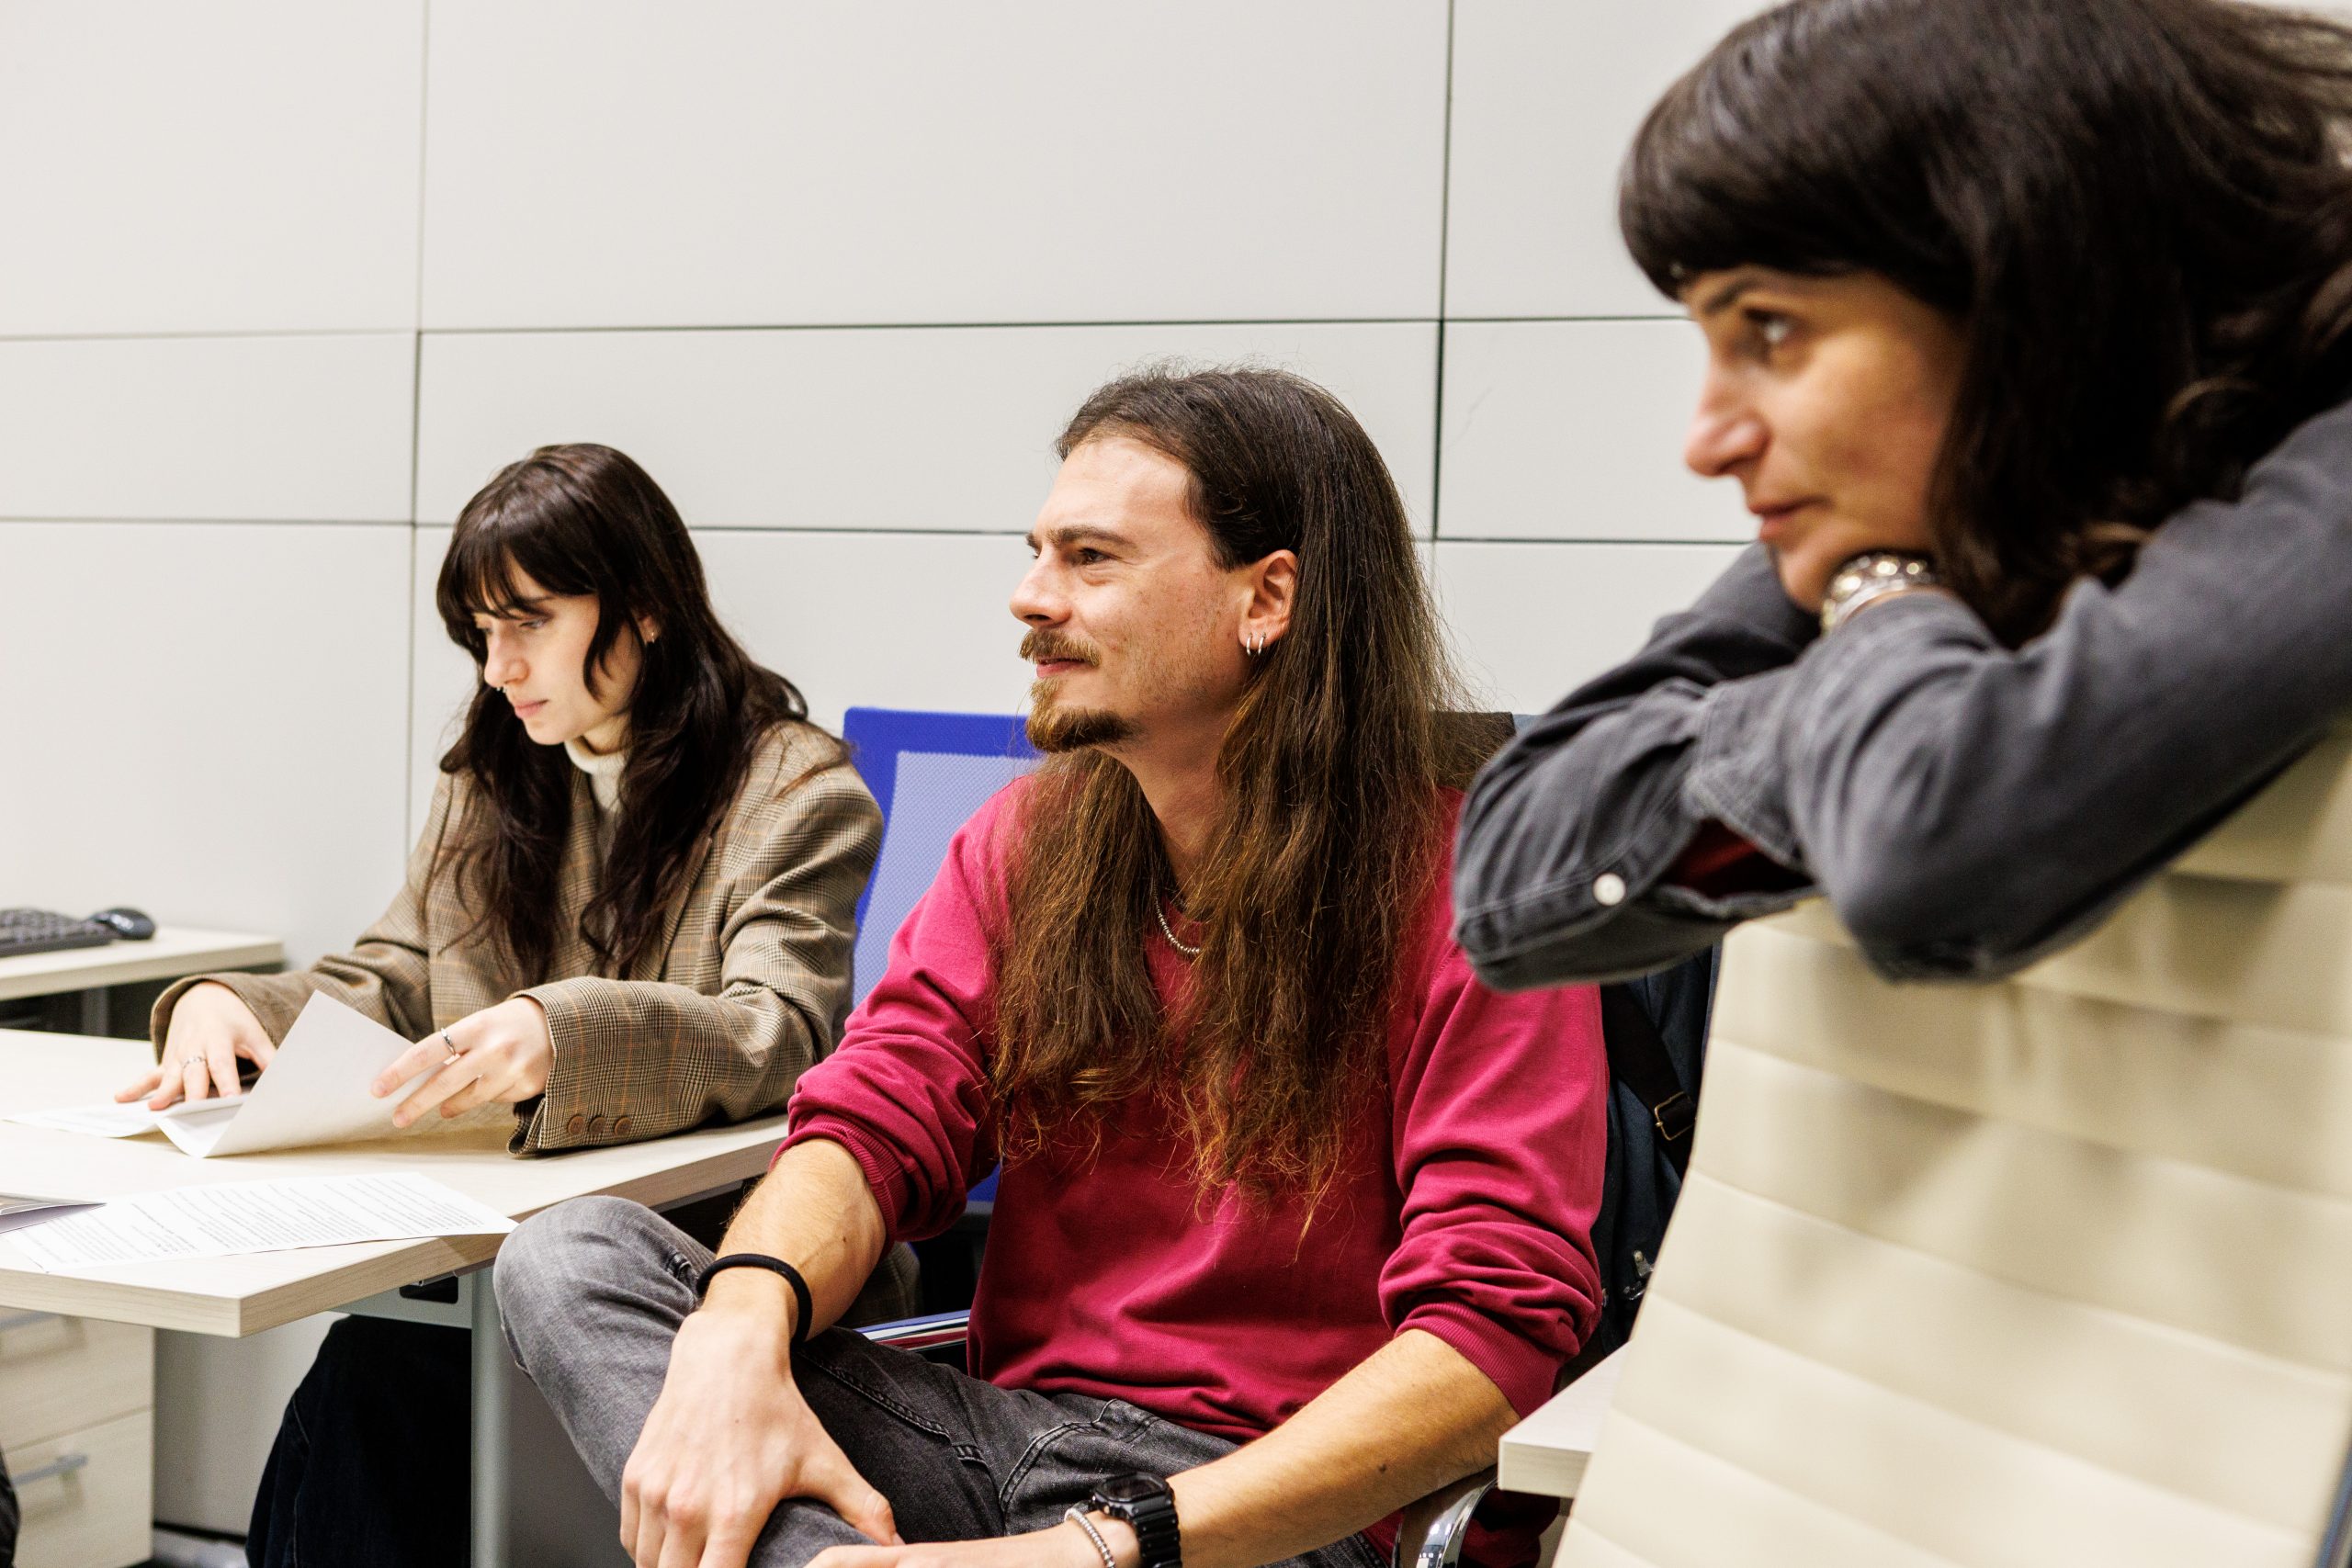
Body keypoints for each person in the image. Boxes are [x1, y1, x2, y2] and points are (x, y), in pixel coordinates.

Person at [495, 367, 1610, 1568]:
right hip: (1001, 1448)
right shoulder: (1026, 844)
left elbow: (1487, 1341)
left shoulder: (1481, 889)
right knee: (573, 1255)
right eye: (1037, 553)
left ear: (1267, 597)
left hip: (1270, 1513)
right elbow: (876, 1116)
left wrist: (1098, 1548)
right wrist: (739, 1327)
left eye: (1090, 559)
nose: (1030, 597)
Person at [1453, 0, 2352, 992]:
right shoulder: (1925, 511)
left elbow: (1932, 848)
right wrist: (1858, 698)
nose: (1707, 444)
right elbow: (1506, 872)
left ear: (2023, 292)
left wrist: (1874, 625)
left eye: (1770, 330)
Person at [120, 444, 909, 1567]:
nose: (499, 668)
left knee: (386, 1384)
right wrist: (226, 1003)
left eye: (529, 622)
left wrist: (559, 1032)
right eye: (482, 632)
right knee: (377, 1373)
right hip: (498, 1251)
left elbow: (776, 1030)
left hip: (705, 1262)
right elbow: (398, 976)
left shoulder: (794, 789)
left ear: (643, 607)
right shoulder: (494, 774)